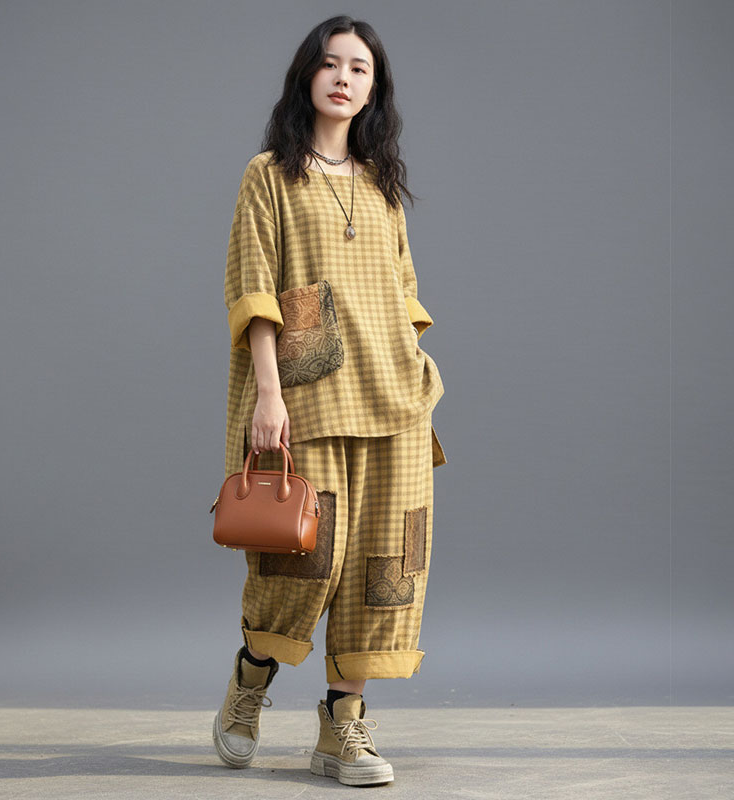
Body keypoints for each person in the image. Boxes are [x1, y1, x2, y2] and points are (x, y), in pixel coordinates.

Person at [212, 15, 446, 787]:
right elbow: (255, 288)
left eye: (360, 69)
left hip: (395, 402)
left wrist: (417, 372)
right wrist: (268, 394)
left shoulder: (382, 185)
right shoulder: (268, 175)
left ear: (374, 90)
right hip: (307, 398)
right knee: (301, 564)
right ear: (307, 75)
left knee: (384, 567)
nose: (344, 78)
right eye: (331, 64)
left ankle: (343, 728)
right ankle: (249, 684)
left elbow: (404, 292)